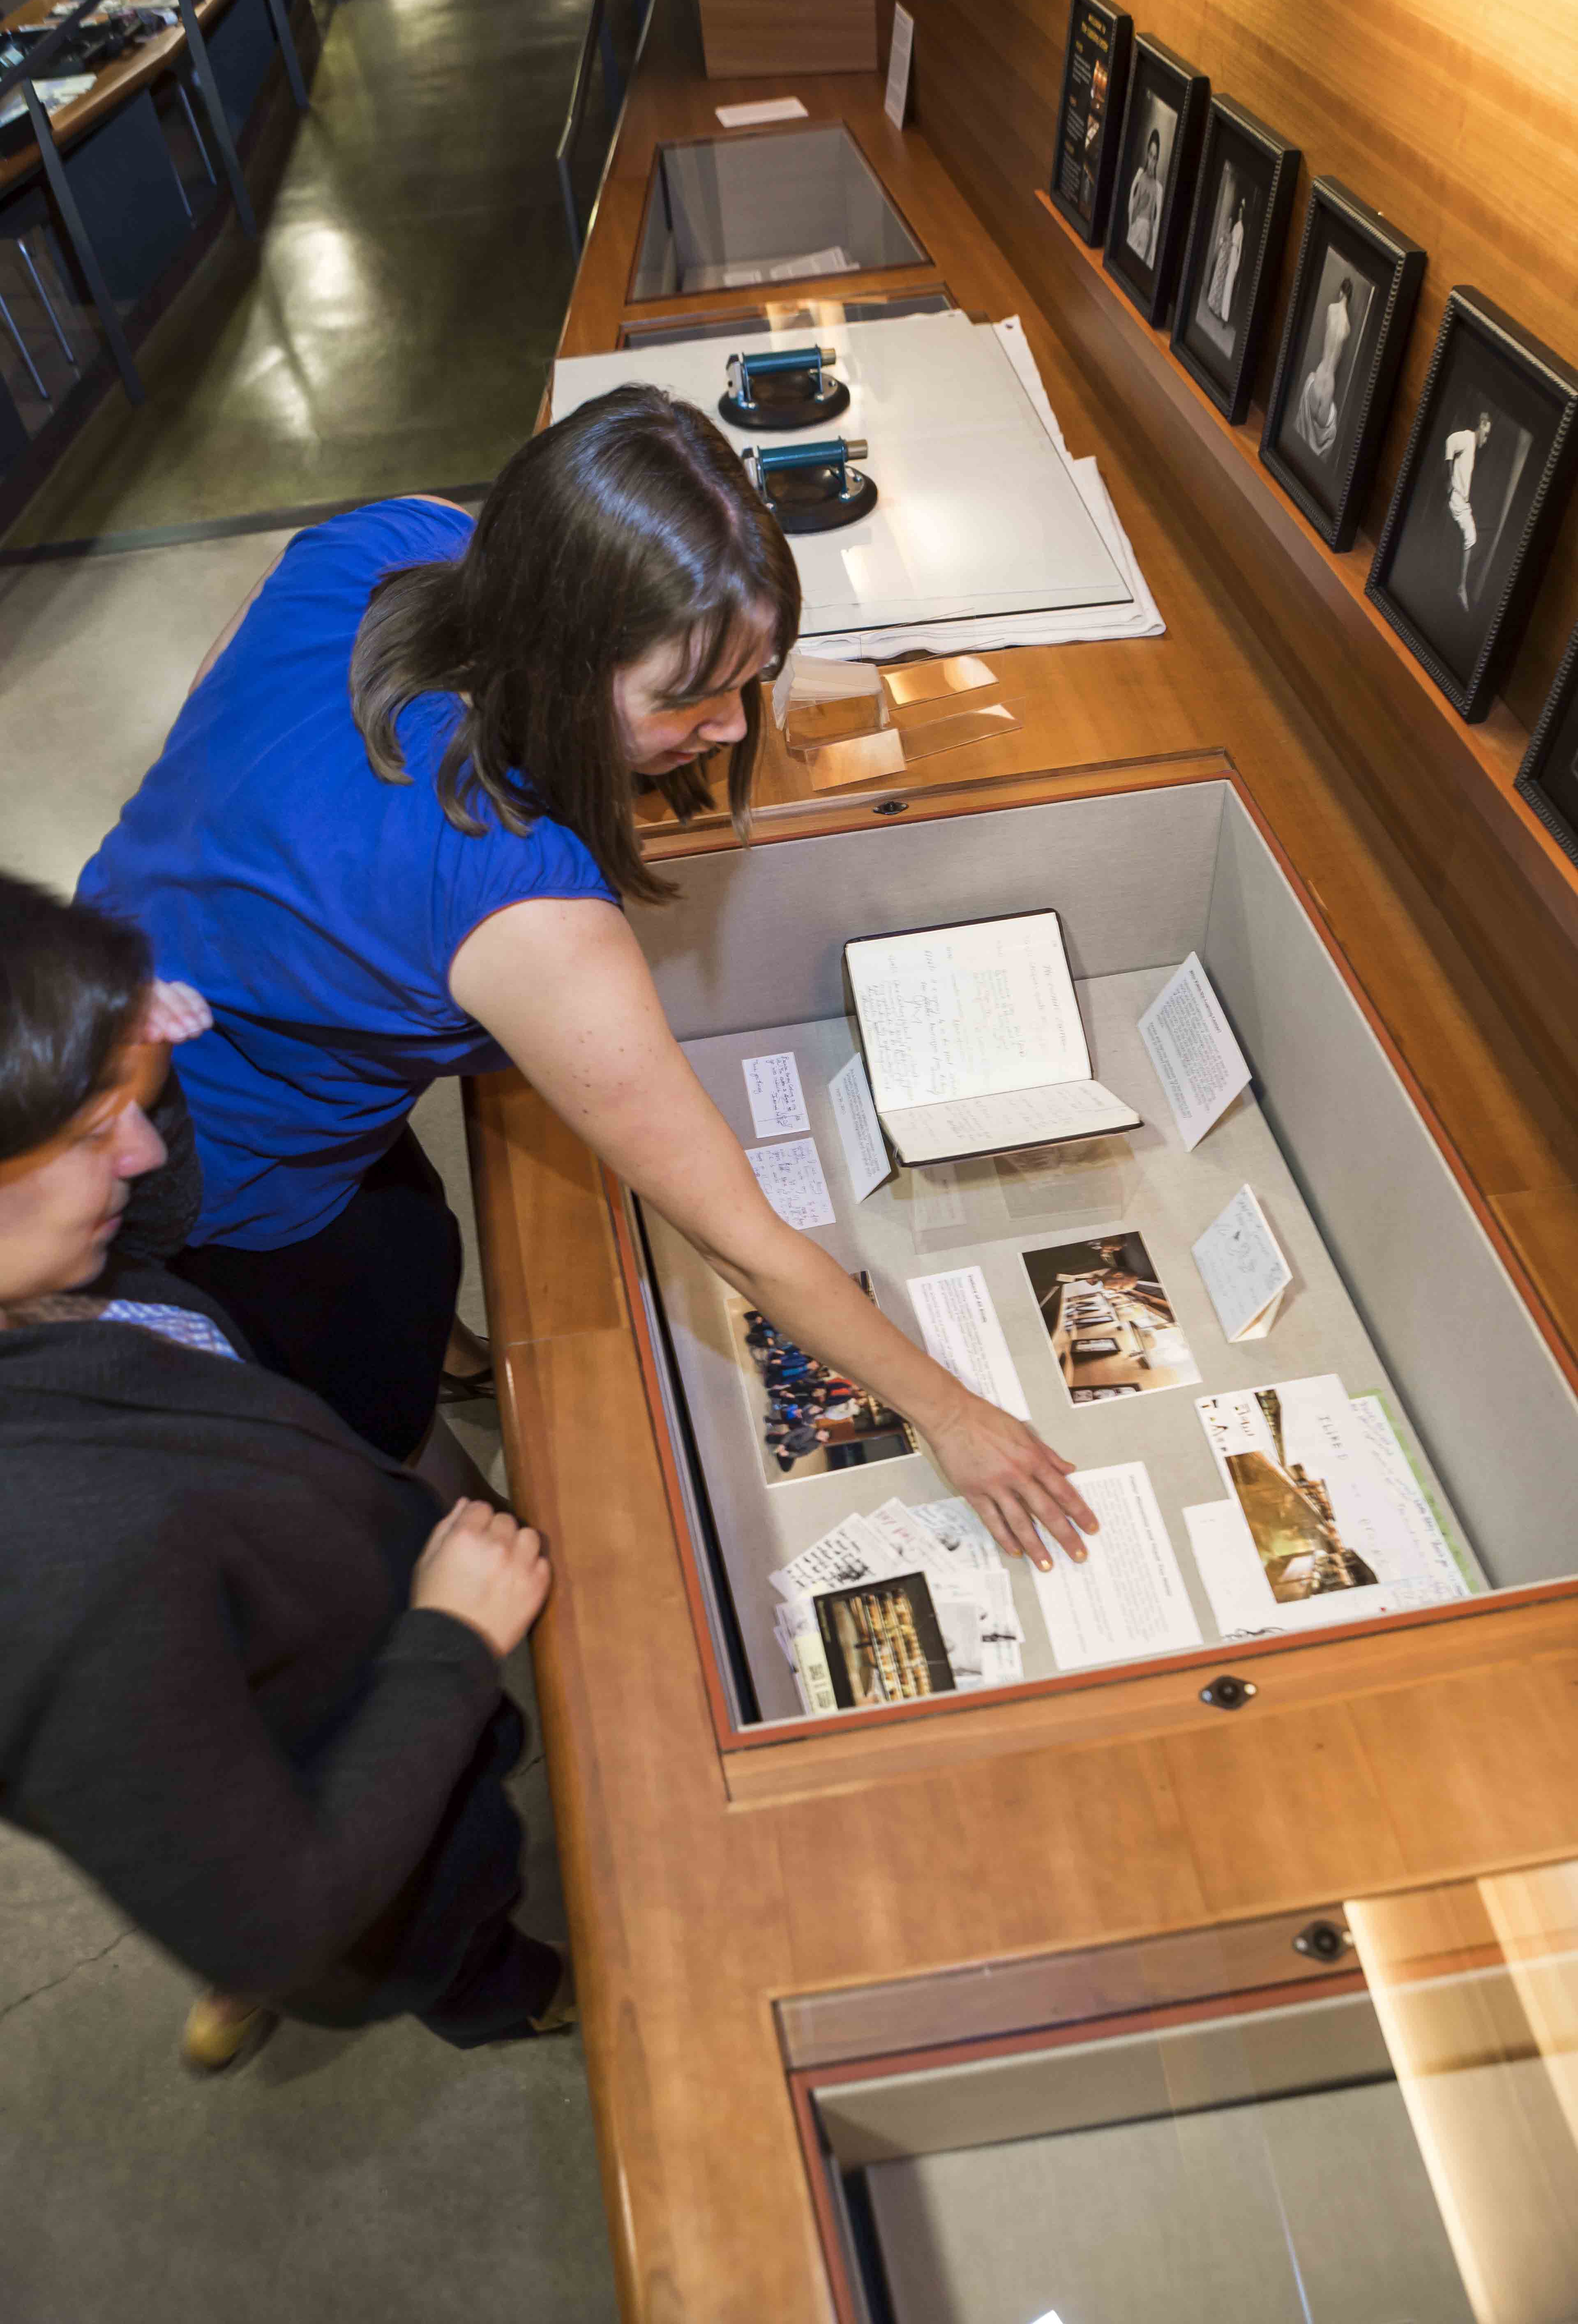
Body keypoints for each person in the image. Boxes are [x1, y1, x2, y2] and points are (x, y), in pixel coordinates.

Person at [79, 386, 1097, 1573]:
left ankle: (450, 1364)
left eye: (752, 675)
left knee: (406, 1242)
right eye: (689, 696)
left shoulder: (395, 535)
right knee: (364, 1396)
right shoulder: (520, 904)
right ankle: (456, 1538)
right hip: (222, 1168)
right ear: (564, 656)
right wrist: (956, 1415)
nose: (728, 728)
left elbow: (212, 702)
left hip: (118, 981)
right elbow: (743, 1241)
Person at [0, 873, 568, 2068]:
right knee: (428, 1925)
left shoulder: (43, 1287)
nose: (143, 1146)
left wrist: (135, 1080)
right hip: (345, 1781)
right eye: (97, 1131)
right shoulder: (58, 1576)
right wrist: (450, 1645)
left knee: (195, 1833)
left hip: (286, 1655)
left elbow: (150, 1238)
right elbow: (282, 1913)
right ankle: (511, 1997)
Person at [1293, 274, 1353, 461]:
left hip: (1321, 372)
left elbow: (1327, 341)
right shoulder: (1348, 325)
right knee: (1318, 434)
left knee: (1306, 430)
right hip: (1330, 382)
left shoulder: (1331, 309)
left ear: (1341, 292)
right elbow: (1340, 355)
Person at [1444, 410, 1493, 611]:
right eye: (1487, 433)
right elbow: (1449, 441)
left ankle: (1461, 586)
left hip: (1463, 501)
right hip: (1456, 498)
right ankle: (1462, 587)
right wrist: (1448, 481)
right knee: (1471, 536)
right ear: (1481, 425)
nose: (1486, 439)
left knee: (1471, 538)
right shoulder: (1466, 437)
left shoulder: (1473, 446)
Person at [1205, 193, 1245, 329]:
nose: (1240, 213)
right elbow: (1225, 238)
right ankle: (1217, 306)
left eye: (1242, 211)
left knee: (1228, 286)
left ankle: (1225, 316)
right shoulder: (1234, 226)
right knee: (1222, 280)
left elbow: (1239, 248)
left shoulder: (1241, 229)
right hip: (1228, 254)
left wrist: (1236, 266)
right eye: (1239, 210)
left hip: (1233, 255)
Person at [1126, 129, 1163, 266]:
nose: (1152, 161)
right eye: (1151, 155)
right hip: (1135, 231)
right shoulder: (1140, 177)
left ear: (1157, 160)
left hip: (1146, 237)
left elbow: (1155, 224)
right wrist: (1141, 205)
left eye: (1155, 158)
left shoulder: (1158, 188)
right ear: (1147, 154)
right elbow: (1132, 215)